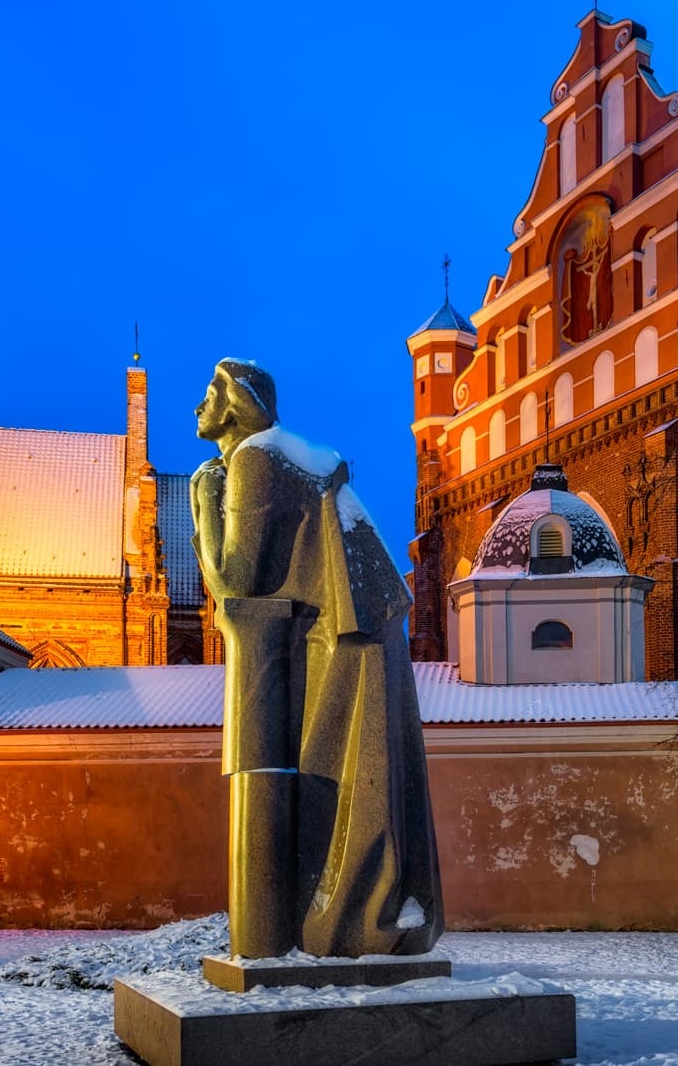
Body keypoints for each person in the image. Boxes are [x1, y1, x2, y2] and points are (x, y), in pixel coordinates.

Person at [191, 358, 443, 958]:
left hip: (343, 638)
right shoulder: (282, 457)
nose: (197, 408)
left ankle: (345, 920)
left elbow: (237, 581)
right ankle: (345, 915)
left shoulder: (256, 457)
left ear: (236, 403)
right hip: (351, 628)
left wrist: (203, 503)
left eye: (208, 394)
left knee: (350, 773)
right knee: (353, 771)